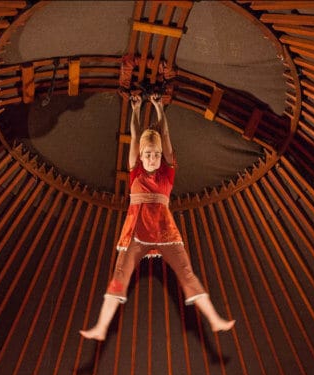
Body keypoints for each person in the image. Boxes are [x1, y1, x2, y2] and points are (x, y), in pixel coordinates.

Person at [80, 94, 234, 341]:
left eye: (156, 154)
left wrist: (160, 109)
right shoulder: (135, 172)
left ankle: (214, 320)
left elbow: (167, 139)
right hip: (136, 230)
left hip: (164, 230)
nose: (152, 158)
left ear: (162, 157)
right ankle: (101, 327)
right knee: (120, 273)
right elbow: (133, 136)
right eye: (148, 154)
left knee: (186, 271)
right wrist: (137, 110)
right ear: (141, 156)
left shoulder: (167, 175)